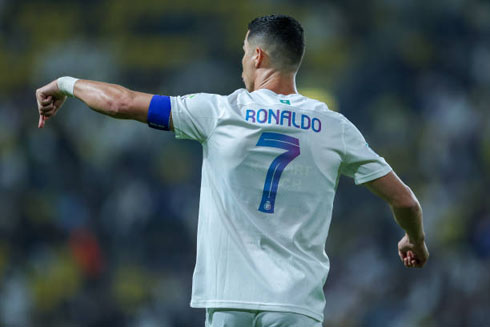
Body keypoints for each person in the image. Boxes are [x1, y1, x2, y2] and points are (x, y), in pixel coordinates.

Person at [35, 14, 428, 327]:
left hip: (228, 301)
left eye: (244, 51)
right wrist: (414, 241)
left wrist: (66, 83)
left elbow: (120, 103)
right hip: (295, 306)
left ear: (257, 56)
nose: (242, 60)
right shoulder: (334, 128)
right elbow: (405, 201)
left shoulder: (220, 112)